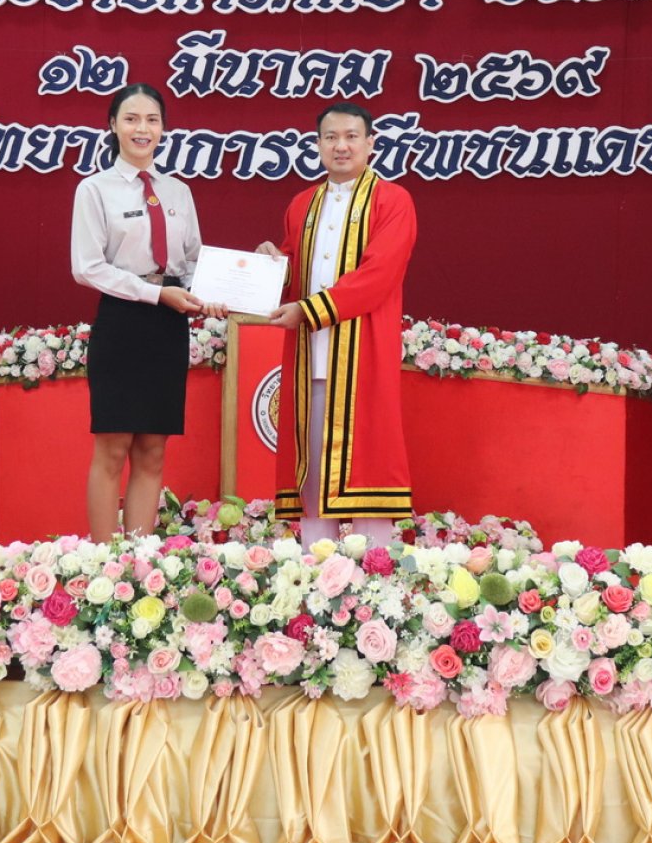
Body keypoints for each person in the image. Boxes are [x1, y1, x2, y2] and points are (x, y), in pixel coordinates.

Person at [258, 103, 417, 545]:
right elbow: (295, 267)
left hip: (364, 355)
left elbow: (378, 276)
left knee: (369, 469)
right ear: (318, 144)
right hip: (310, 358)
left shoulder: (392, 200)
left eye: (351, 136)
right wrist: (273, 267)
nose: (341, 146)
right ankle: (315, 567)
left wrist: (307, 311)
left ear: (370, 143)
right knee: (311, 473)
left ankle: (377, 570)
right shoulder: (302, 204)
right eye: (331, 137)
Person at [70, 84, 223, 538]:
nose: (143, 129)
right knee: (113, 447)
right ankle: (102, 558)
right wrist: (156, 294)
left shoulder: (178, 191)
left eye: (152, 120)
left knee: (153, 449)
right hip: (123, 321)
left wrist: (216, 290)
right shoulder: (94, 189)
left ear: (163, 128)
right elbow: (87, 267)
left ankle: (137, 557)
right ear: (113, 125)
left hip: (168, 326)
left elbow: (192, 262)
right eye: (132, 118)